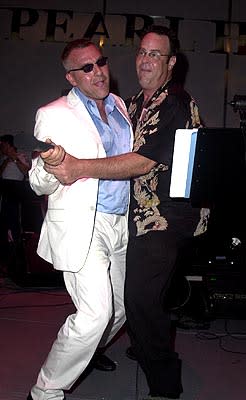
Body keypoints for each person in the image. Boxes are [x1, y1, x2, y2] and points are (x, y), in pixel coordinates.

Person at [39, 26, 205, 400]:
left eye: (156, 55)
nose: (146, 60)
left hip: (163, 218)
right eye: (142, 52)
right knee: (121, 305)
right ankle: (90, 351)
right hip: (130, 219)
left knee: (142, 302)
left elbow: (143, 160)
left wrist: (79, 167)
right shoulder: (127, 105)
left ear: (172, 63)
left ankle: (165, 383)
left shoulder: (174, 102)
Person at [27, 38, 133, 400]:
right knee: (94, 314)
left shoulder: (119, 105)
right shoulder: (53, 113)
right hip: (83, 224)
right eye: (86, 67)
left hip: (121, 223)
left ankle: (87, 351)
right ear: (72, 78)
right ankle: (45, 392)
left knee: (121, 309)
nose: (98, 71)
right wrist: (50, 166)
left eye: (100, 62)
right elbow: (37, 183)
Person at [0, 134, 30, 274]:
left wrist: (15, 159)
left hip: (16, 195)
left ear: (9, 145)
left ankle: (19, 259)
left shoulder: (21, 155)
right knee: (4, 226)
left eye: (3, 145)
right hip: (4, 194)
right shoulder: (3, 159)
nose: (2, 147)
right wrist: (6, 161)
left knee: (15, 226)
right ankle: (6, 259)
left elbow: (26, 172)